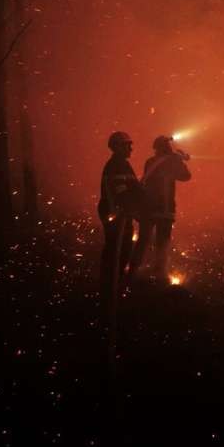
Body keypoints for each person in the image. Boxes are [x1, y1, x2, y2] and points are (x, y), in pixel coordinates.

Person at [128, 135, 191, 284]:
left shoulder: (150, 162)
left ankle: (133, 270)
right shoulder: (173, 161)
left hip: (148, 208)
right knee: (162, 241)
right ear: (167, 147)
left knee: (143, 240)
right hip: (165, 209)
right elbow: (186, 176)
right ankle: (159, 273)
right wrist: (179, 160)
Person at [98, 131, 143, 317]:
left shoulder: (122, 164)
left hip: (121, 215)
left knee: (121, 250)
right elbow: (122, 194)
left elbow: (135, 190)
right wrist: (134, 211)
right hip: (117, 215)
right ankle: (111, 293)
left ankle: (114, 288)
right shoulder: (116, 165)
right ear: (116, 147)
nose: (131, 148)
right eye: (126, 145)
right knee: (116, 251)